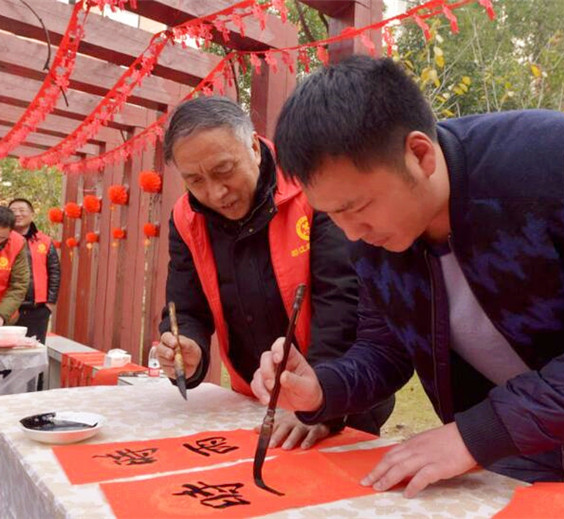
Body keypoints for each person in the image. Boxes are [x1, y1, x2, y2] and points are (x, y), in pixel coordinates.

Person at [251, 55, 564, 496]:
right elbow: (384, 349)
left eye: (357, 208)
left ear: (420, 154)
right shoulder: (372, 239)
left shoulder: (559, 160)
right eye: (333, 214)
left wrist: (475, 434)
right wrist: (320, 390)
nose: (351, 233)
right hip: (518, 451)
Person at [155, 96, 394, 448]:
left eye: (224, 170)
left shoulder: (312, 186)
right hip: (254, 400)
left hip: (341, 392)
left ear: (252, 145)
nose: (216, 192)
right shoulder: (185, 217)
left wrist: (319, 400)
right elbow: (185, 306)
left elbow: (342, 301)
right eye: (195, 180)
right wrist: (188, 348)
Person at [8, 198, 60, 344]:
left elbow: (54, 271)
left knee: (33, 353)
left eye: (22, 210)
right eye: (13, 211)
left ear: (32, 214)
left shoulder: (45, 241)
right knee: (6, 354)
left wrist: (50, 303)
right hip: (7, 308)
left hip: (37, 308)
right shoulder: (1, 239)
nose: (18, 214)